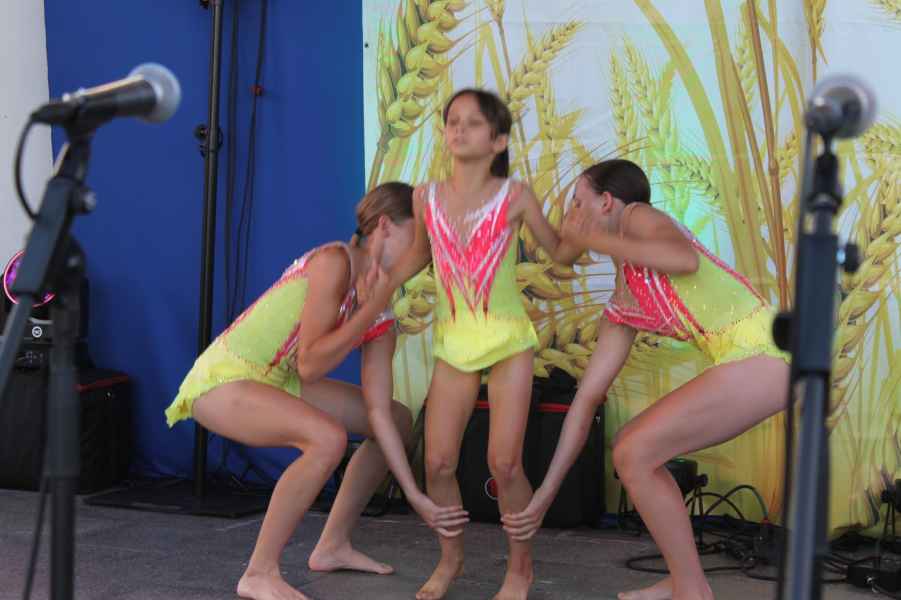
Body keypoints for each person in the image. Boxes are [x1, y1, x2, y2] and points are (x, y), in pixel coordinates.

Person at [501, 159, 790, 600]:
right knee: (633, 452)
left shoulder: (637, 215)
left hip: (768, 352)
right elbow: (585, 401)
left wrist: (592, 238)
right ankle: (685, 581)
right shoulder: (623, 305)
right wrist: (544, 494)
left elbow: (683, 259)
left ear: (607, 202)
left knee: (634, 450)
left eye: (577, 203)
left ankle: (691, 592)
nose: (570, 216)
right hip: (748, 360)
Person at [164, 182, 468, 600]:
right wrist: (370, 306)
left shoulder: (382, 312)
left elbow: (378, 412)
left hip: (280, 380)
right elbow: (310, 364)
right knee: (327, 439)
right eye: (418, 241)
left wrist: (414, 494)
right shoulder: (334, 262)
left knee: (397, 418)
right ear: (384, 227)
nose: (422, 257)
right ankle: (259, 572)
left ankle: (332, 545)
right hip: (224, 379)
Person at [387, 88, 582, 600]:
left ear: (497, 141)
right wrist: (379, 282)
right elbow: (419, 255)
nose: (459, 129)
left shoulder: (515, 196)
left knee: (504, 464)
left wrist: (589, 230)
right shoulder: (425, 197)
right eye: (452, 120)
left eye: (473, 123)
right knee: (437, 463)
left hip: (508, 341)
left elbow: (560, 252)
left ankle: (520, 569)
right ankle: (450, 559)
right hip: (454, 344)